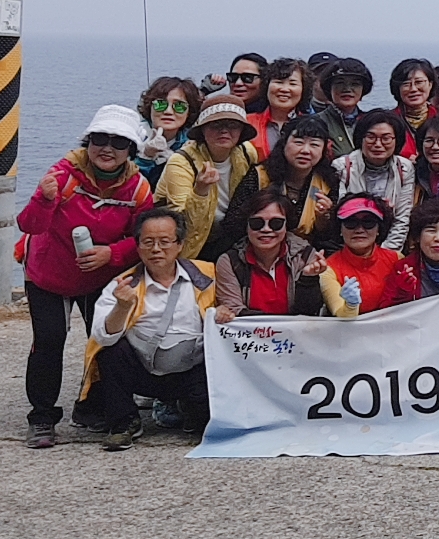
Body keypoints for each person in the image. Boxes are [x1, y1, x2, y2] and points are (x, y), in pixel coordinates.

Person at [20, 105, 155, 447]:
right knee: (49, 340)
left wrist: (112, 254)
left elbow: (143, 237)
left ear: (131, 150)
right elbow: (29, 225)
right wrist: (43, 199)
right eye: (99, 139)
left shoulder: (138, 190)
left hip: (99, 276)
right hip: (48, 274)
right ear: (87, 142)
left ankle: (91, 407)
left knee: (104, 341)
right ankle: (42, 417)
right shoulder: (62, 176)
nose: (107, 148)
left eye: (118, 142)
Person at [83, 209, 216, 450]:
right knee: (110, 353)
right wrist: (122, 307)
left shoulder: (207, 276)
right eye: (148, 242)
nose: (156, 249)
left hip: (194, 370)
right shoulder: (122, 284)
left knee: (206, 425)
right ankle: (124, 422)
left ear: (180, 245)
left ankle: (190, 409)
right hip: (143, 370)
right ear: (138, 246)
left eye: (164, 242)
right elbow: (101, 337)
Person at [153, 93, 261, 262]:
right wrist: (200, 191)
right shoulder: (181, 162)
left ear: (241, 131)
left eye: (232, 125)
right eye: (215, 124)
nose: (224, 130)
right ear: (202, 130)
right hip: (189, 246)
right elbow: (182, 226)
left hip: (229, 237)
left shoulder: (247, 152)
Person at [212, 188, 324, 320]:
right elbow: (235, 312)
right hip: (252, 333)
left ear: (286, 226)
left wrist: (308, 280)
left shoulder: (305, 255)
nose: (266, 229)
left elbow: (309, 314)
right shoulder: (230, 261)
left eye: (276, 223)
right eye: (257, 223)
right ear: (246, 225)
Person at [246, 116, 338, 248]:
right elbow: (234, 223)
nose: (305, 151)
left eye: (314, 145)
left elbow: (327, 238)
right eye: (299, 142)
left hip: (305, 252)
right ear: (284, 143)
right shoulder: (260, 176)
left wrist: (323, 219)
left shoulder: (327, 181)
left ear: (323, 150)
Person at [333, 109, 417, 252]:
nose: (378, 144)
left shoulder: (404, 168)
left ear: (397, 140)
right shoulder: (342, 167)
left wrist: (387, 254)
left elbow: (402, 218)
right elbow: (342, 215)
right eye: (371, 137)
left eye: (386, 138)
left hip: (389, 245)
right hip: (350, 244)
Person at [323, 196, 406, 315]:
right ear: (340, 229)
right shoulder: (329, 268)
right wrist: (350, 306)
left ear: (379, 229)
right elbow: (340, 315)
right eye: (350, 222)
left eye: (368, 222)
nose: (359, 230)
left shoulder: (396, 259)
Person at [133, 77, 199, 185]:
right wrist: (146, 157)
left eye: (179, 106)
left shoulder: (194, 145)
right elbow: (125, 185)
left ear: (189, 112)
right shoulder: (132, 137)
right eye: (160, 104)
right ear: (150, 107)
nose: (168, 111)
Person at [245, 57, 312, 159]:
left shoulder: (313, 127)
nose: (285, 89)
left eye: (293, 84)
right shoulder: (246, 123)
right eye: (279, 82)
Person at [313, 56, 372, 156]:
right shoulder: (316, 123)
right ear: (329, 88)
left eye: (355, 84)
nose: (347, 89)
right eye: (340, 83)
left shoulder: (372, 122)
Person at [389, 58, 437, 155]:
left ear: (430, 84)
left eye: (419, 82)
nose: (413, 89)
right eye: (406, 84)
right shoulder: (389, 121)